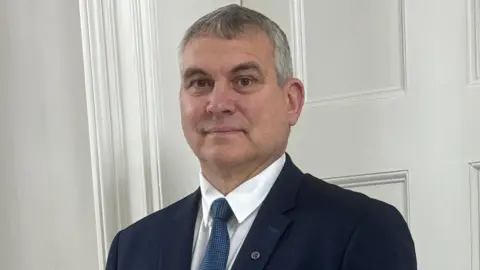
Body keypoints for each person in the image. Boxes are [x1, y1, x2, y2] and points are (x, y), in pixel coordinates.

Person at [105, 4, 417, 270]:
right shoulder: (132, 249)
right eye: (200, 83)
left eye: (244, 80)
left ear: (291, 101)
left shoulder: (362, 230)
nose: (217, 104)